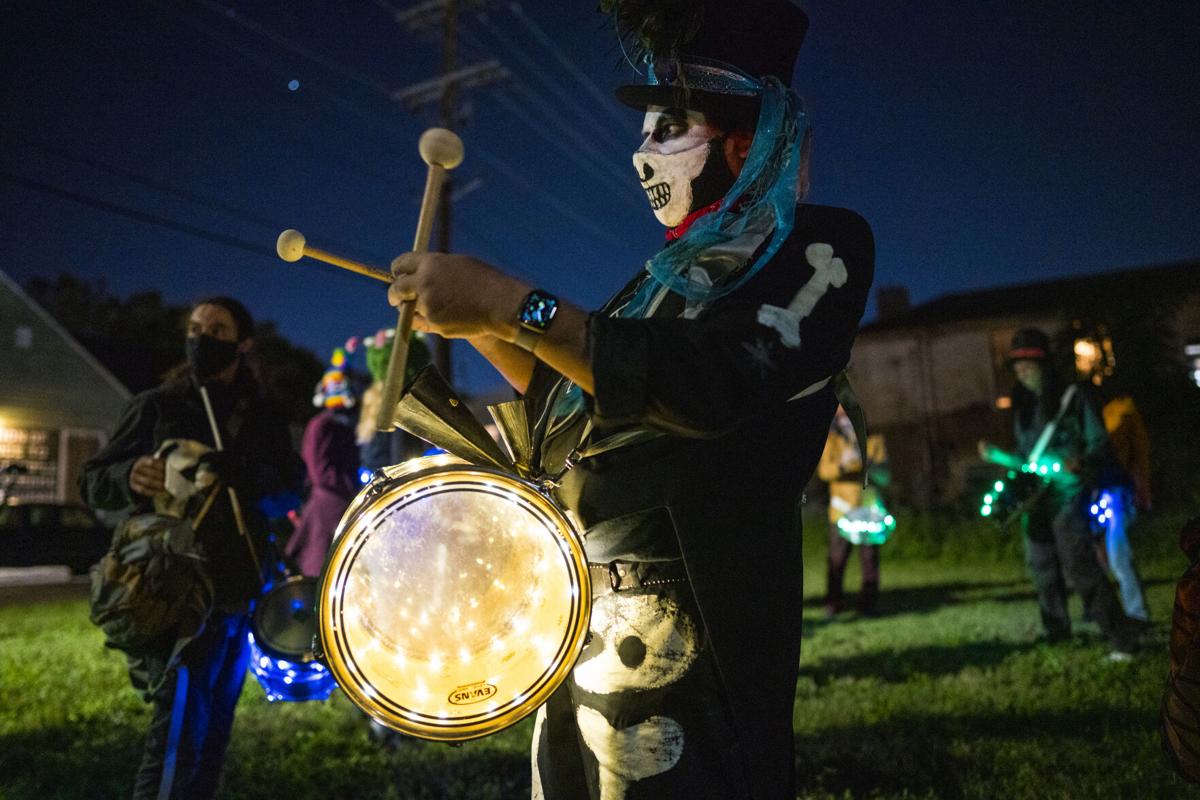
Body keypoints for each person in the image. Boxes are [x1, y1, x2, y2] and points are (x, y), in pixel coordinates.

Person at [386, 1, 874, 795]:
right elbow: (584, 394)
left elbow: (707, 383)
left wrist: (516, 304)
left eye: (671, 129)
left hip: (696, 632)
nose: (645, 154)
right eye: (645, 133)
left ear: (747, 144)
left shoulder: (819, 246)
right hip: (579, 613)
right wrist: (478, 322)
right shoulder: (659, 280)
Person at [81, 296, 299, 800]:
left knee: (217, 730)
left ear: (243, 344)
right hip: (174, 592)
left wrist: (246, 475)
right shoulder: (158, 406)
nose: (203, 337)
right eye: (196, 328)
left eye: (218, 330)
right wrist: (128, 475)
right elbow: (92, 481)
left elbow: (292, 490)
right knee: (176, 733)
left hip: (240, 590)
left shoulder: (262, 416)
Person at [979, 328, 1136, 658]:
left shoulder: (1073, 396)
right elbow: (1027, 458)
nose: (1020, 371)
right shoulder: (1022, 404)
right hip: (1035, 499)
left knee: (1080, 566)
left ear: (1044, 364)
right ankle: (1057, 633)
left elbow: (1099, 444)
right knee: (1042, 568)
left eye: (1027, 364)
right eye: (1016, 365)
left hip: (1066, 495)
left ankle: (1121, 639)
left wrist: (1079, 462)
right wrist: (998, 456)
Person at [285, 347, 361, 577]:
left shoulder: (343, 426)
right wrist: (345, 487)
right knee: (321, 566)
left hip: (341, 499)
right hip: (328, 503)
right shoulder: (321, 424)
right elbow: (319, 468)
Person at [818, 405, 890, 617]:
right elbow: (824, 471)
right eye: (841, 415)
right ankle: (833, 603)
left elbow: (886, 476)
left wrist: (868, 466)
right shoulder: (831, 441)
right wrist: (845, 465)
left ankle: (868, 605)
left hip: (869, 511)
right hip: (842, 512)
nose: (846, 418)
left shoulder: (875, 442)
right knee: (837, 559)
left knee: (869, 560)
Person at [1097, 388, 1152, 622]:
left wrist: (1142, 487)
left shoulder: (1123, 413)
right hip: (1104, 491)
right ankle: (1125, 611)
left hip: (1118, 491)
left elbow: (1139, 453)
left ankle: (1137, 613)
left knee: (1118, 555)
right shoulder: (1106, 413)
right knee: (1107, 556)